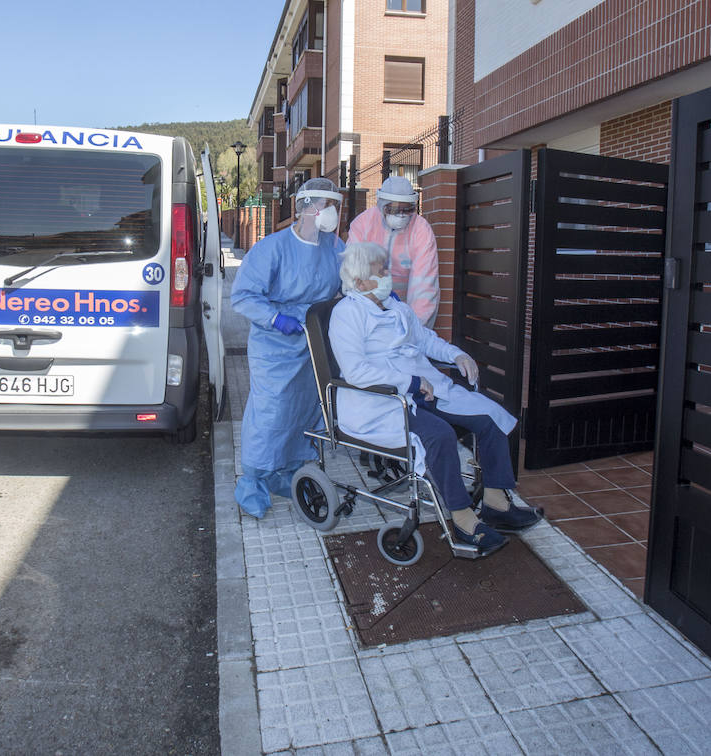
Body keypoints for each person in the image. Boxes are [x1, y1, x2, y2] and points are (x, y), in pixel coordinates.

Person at [328, 241, 541, 555]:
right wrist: (410, 382)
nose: (389, 275)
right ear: (360, 282)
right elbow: (356, 371)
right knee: (439, 435)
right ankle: (462, 517)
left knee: (489, 417)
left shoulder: (395, 307)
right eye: (381, 270)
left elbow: (425, 339)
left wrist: (458, 355)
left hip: (425, 388)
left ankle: (496, 502)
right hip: (381, 400)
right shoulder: (346, 314)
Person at [230, 177, 347, 518]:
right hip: (275, 346)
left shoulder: (334, 246)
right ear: (308, 206)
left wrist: (376, 290)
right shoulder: (273, 247)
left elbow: (351, 278)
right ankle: (252, 481)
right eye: (328, 205)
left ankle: (288, 472)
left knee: (305, 410)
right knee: (271, 413)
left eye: (335, 206)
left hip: (313, 343)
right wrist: (276, 318)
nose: (333, 213)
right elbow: (243, 295)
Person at [346, 175, 440, 327]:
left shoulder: (421, 229)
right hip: (368, 302)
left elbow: (425, 283)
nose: (401, 214)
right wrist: (370, 309)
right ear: (381, 205)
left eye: (407, 209)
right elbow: (353, 271)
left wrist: (413, 326)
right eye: (394, 209)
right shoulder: (363, 223)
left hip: (407, 306)